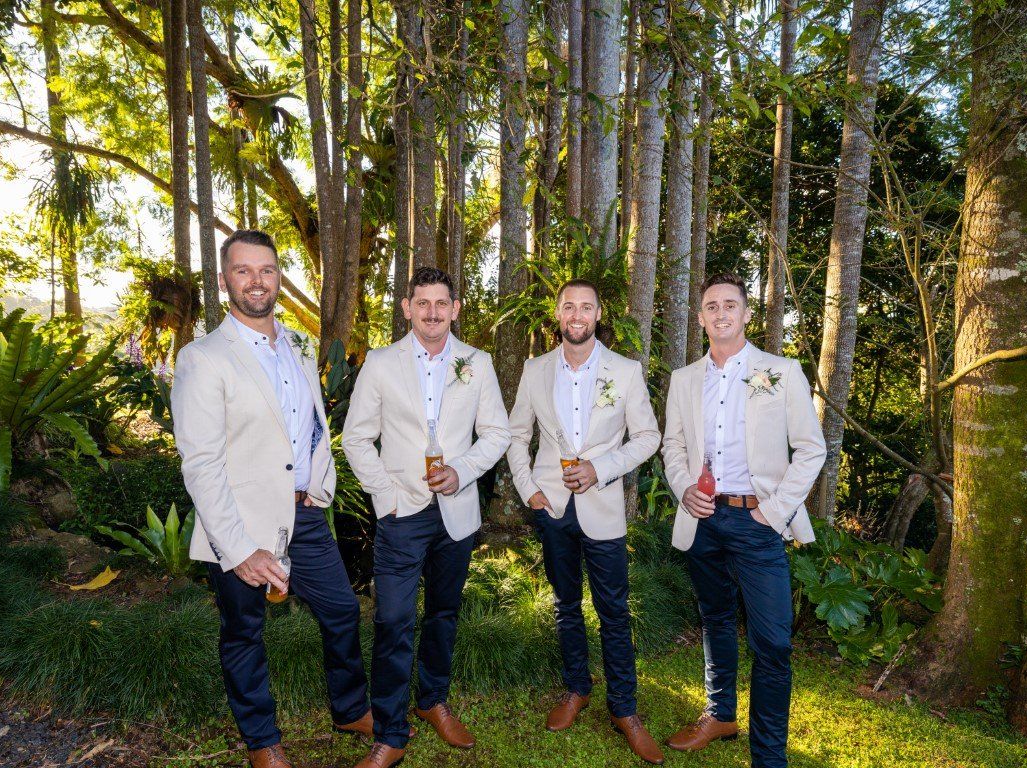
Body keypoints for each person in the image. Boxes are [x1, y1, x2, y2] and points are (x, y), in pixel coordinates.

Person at [172, 230, 375, 768]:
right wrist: (237, 550)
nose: (256, 280)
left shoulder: (298, 345)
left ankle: (350, 708)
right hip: (239, 521)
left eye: (266, 269)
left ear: (279, 277)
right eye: (243, 271)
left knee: (341, 609)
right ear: (223, 281)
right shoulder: (203, 358)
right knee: (244, 633)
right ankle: (262, 742)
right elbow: (201, 464)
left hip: (304, 515)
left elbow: (311, 423)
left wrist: (320, 487)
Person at [342, 266, 511, 768]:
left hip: (456, 515)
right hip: (402, 514)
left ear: (455, 309)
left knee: (443, 613)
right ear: (407, 307)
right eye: (423, 303)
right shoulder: (380, 362)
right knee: (393, 619)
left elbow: (497, 434)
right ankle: (391, 731)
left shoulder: (477, 363)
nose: (432, 312)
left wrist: (463, 471)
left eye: (442, 304)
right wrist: (387, 494)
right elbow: (356, 438)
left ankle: (433, 700)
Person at [661, 273, 825, 768]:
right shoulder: (684, 379)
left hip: (758, 522)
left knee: (773, 642)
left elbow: (812, 449)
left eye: (730, 304)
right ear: (701, 318)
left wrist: (772, 513)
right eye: (711, 306)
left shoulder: (780, 371)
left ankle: (769, 757)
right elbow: (674, 447)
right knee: (714, 618)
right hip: (703, 519)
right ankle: (720, 714)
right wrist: (683, 489)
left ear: (747, 314)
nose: (721, 313)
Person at [506, 279, 664, 764]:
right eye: (568, 306)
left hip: (603, 508)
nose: (577, 314)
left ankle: (625, 710)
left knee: (614, 611)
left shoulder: (626, 370)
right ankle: (577, 689)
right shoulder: (535, 370)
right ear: (558, 314)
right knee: (566, 604)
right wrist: (528, 488)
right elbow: (516, 435)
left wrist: (602, 468)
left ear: (599, 314)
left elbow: (648, 437)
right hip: (551, 507)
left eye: (586, 307)